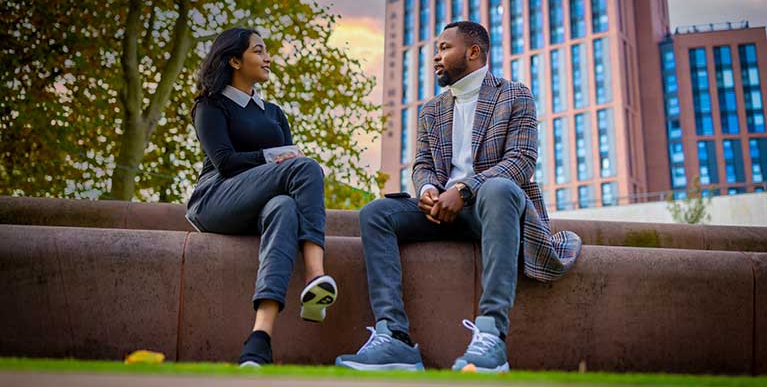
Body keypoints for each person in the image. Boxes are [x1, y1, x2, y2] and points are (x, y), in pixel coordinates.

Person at [335, 21, 581, 372]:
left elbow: (521, 162)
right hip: (439, 213)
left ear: (473, 52)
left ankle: (491, 335)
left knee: (498, 188)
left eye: (444, 48)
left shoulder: (514, 95)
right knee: (376, 212)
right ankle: (395, 339)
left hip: (493, 212)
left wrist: (464, 191)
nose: (436, 57)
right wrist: (428, 190)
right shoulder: (431, 110)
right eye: (436, 49)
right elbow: (421, 164)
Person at [185, 27, 338, 367]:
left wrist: (283, 164)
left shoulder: (274, 113)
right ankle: (315, 274)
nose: (268, 58)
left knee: (284, 206)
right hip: (215, 199)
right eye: (259, 51)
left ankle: (259, 340)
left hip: (261, 205)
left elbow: (284, 175)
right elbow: (224, 161)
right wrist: (274, 159)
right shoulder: (211, 105)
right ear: (235, 60)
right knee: (306, 167)